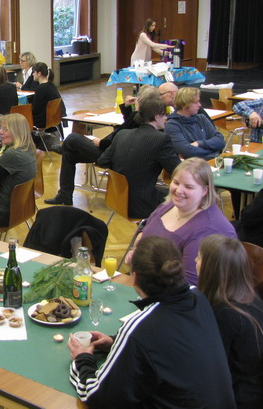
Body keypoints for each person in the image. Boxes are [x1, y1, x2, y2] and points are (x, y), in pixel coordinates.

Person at [68, 236, 236, 409]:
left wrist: (82, 359)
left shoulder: (139, 328)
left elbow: (98, 397)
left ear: (135, 277)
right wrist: (115, 343)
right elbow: (167, 349)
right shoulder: (197, 297)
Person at [45, 85, 161, 206]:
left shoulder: (139, 119)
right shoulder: (145, 118)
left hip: (110, 155)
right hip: (112, 151)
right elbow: (128, 125)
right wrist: (127, 107)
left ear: (140, 100)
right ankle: (65, 195)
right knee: (69, 154)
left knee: (72, 138)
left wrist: (101, 142)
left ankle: (62, 150)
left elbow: (121, 136)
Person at [139, 157, 237, 284]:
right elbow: (146, 226)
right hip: (147, 280)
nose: (179, 191)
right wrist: (137, 244)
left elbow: (189, 283)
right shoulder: (171, 204)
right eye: (176, 182)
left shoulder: (209, 229)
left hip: (170, 290)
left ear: (205, 190)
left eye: (189, 187)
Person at [197, 234, 263, 409]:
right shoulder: (252, 299)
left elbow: (212, 371)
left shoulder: (224, 315)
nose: (195, 261)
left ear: (209, 268)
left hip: (238, 400)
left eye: (199, 257)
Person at [96, 98, 181, 219]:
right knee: (188, 196)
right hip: (142, 203)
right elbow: (178, 170)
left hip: (117, 198)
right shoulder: (161, 139)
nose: (166, 118)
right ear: (157, 116)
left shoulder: (122, 134)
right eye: (164, 115)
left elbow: (102, 161)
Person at [165, 86, 225, 160]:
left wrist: (199, 143)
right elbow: (187, 151)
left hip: (212, 160)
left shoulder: (201, 118)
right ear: (185, 104)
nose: (199, 105)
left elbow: (220, 140)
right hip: (194, 164)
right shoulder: (172, 125)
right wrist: (212, 151)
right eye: (196, 102)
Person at [30, 62, 62, 129]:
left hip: (42, 120)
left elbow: (36, 109)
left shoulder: (40, 88)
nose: (33, 74)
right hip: (53, 119)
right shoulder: (52, 85)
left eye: (34, 72)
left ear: (39, 73)